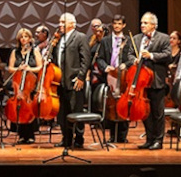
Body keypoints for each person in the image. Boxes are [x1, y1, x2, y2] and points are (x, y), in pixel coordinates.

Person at [121, 12, 172, 150]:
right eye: (142, 23)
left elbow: (168, 55)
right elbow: (130, 54)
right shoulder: (137, 39)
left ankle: (158, 140)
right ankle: (149, 139)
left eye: (146, 23)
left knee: (157, 112)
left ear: (153, 25)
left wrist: (151, 55)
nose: (142, 25)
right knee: (145, 113)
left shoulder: (163, 38)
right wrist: (134, 60)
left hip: (156, 80)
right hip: (140, 82)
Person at [54, 13, 91, 149]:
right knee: (63, 113)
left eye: (62, 22)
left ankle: (79, 139)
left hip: (75, 80)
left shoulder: (80, 37)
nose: (59, 25)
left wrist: (81, 77)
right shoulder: (59, 39)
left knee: (76, 111)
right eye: (59, 22)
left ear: (72, 24)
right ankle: (66, 138)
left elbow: (86, 59)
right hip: (60, 82)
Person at [6, 28, 43, 143]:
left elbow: (40, 67)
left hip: (30, 85)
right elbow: (10, 68)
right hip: (18, 85)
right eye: (21, 37)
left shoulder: (34, 51)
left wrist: (29, 68)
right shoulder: (14, 52)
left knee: (29, 108)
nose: (24, 39)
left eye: (26, 36)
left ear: (30, 38)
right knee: (19, 108)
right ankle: (21, 135)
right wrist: (19, 68)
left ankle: (31, 135)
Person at [97, 14, 129, 143]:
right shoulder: (105, 40)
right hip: (110, 77)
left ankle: (122, 136)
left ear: (124, 25)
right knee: (110, 105)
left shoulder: (128, 40)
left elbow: (132, 58)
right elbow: (99, 58)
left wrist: (125, 64)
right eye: (115, 23)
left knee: (124, 104)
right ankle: (111, 135)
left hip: (123, 77)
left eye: (119, 24)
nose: (117, 26)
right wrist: (106, 67)